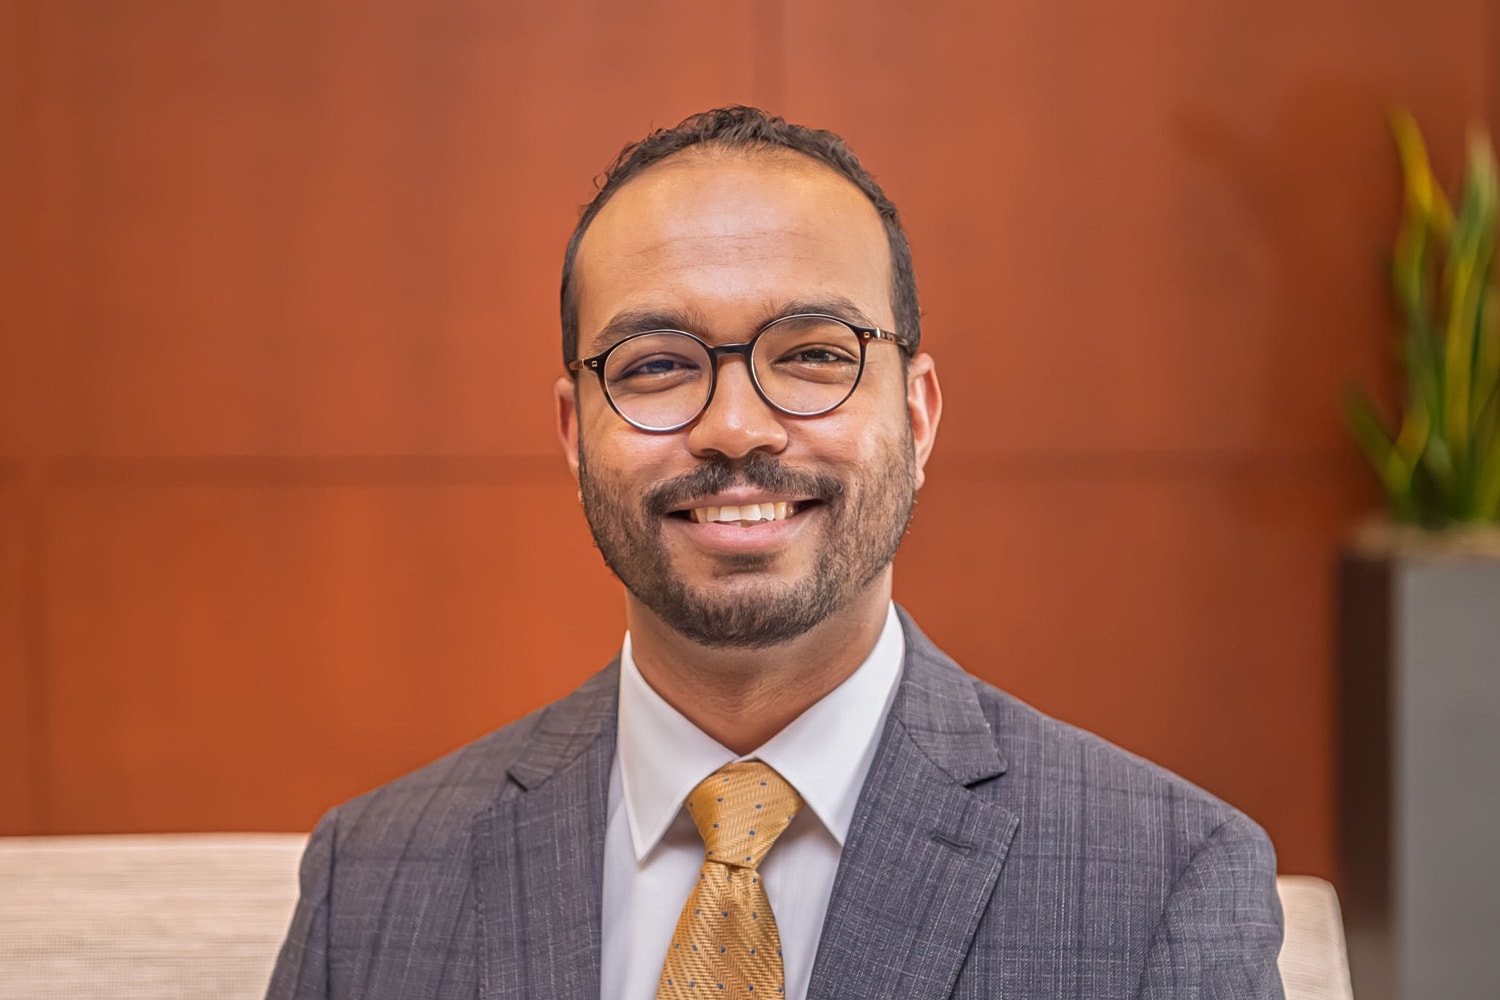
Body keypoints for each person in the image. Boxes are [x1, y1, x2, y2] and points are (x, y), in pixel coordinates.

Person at [267, 106, 1284, 1000]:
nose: (737, 427)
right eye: (658, 365)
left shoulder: (1160, 879)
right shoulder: (375, 879)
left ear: (918, 417)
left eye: (811, 355)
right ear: (575, 434)